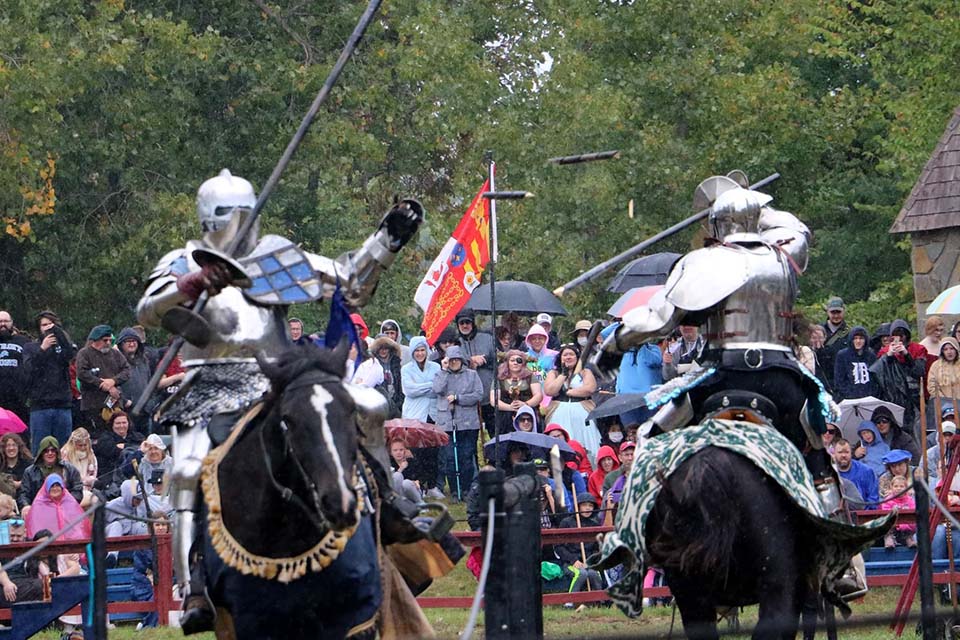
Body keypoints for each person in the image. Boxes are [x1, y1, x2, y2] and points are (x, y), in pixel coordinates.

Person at [432, 346, 484, 500]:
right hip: (447, 423)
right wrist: (443, 370)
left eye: (456, 359)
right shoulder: (441, 374)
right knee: (449, 458)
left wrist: (459, 398)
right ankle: (454, 490)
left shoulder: (472, 375)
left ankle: (467, 488)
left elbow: (478, 395)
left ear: (462, 360)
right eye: (451, 360)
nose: (454, 363)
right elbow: (437, 389)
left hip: (467, 423)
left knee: (466, 457)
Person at [21, 310, 76, 453]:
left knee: (64, 450)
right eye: (44, 325)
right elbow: (29, 370)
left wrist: (59, 335)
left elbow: (69, 356)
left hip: (62, 404)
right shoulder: (30, 347)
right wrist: (42, 349)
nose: (47, 328)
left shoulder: (63, 347)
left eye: (51, 325)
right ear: (38, 328)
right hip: (40, 406)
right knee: (40, 449)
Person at [399, 335, 443, 499]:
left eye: (422, 349)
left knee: (432, 453)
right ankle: (417, 485)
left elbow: (438, 388)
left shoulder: (435, 367)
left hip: (432, 413)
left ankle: (431, 485)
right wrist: (429, 385)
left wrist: (423, 387)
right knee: (416, 453)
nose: (420, 353)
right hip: (414, 415)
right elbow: (409, 390)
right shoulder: (406, 369)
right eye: (416, 350)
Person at [543, 344, 600, 462]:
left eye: (571, 354)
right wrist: (563, 375)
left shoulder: (585, 372)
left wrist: (569, 392)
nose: (568, 357)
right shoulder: (554, 373)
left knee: (584, 445)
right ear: (560, 358)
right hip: (559, 412)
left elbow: (589, 388)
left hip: (581, 412)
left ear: (577, 357)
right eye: (565, 355)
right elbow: (549, 390)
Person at [871, 319, 927, 433]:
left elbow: (919, 372)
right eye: (896, 335)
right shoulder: (885, 352)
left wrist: (907, 355)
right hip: (893, 397)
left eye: (902, 335)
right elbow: (877, 374)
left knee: (916, 430)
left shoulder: (917, 349)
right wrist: (889, 356)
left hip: (914, 398)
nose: (900, 339)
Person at [75, 324, 130, 432]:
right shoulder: (84, 353)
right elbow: (82, 374)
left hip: (114, 404)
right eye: (105, 340)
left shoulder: (116, 354)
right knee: (97, 438)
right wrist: (102, 384)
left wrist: (113, 381)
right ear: (95, 340)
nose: (108, 343)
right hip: (92, 405)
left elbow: (127, 371)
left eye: (110, 340)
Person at [454, 310, 497, 438]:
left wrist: (482, 361)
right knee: (470, 437)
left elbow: (497, 360)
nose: (465, 326)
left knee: (494, 433)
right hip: (467, 398)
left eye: (467, 322)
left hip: (488, 395)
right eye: (461, 323)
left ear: (473, 323)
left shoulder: (488, 338)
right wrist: (470, 360)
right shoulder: (455, 342)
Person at [18, 436, 83, 516]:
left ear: (57, 452)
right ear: (41, 452)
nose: (50, 453)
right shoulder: (30, 472)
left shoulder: (69, 469)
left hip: (65, 509)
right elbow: (24, 493)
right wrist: (25, 505)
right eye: (46, 450)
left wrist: (66, 502)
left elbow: (78, 489)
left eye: (53, 450)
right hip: (39, 510)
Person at [491, 349, 543, 436]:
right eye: (512, 360)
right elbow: (494, 400)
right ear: (507, 362)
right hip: (505, 415)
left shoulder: (530, 377)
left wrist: (525, 404)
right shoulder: (499, 379)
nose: (515, 363)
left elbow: (538, 395)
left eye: (518, 360)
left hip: (527, 413)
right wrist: (510, 407)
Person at [25, 473, 91, 540]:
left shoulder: (70, 501)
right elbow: (35, 529)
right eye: (52, 486)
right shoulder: (38, 504)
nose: (55, 488)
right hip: (48, 544)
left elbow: (80, 525)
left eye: (57, 485)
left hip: (71, 543)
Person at [116, 326, 157, 434]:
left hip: (145, 412)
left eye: (134, 341)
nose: (132, 344)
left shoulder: (144, 361)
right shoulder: (116, 362)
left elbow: (150, 384)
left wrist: (150, 403)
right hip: (127, 413)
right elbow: (113, 385)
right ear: (121, 344)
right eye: (128, 341)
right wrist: (124, 401)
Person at [94, 411, 145, 480]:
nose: (121, 426)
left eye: (124, 423)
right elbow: (112, 452)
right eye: (118, 423)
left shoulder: (138, 437)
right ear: (112, 424)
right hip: (112, 475)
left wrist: (125, 446)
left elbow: (143, 449)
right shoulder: (105, 438)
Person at [0, 310, 30, 423]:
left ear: (11, 322)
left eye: (6, 321)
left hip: (18, 397)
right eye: (0, 321)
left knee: (19, 432)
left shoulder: (23, 341)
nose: (3, 324)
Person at [832, 326, 876, 403]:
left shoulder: (871, 355)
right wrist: (851, 394)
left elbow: (874, 378)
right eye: (855, 338)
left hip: (868, 398)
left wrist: (870, 394)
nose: (858, 341)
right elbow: (839, 380)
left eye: (861, 338)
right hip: (848, 398)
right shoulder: (842, 355)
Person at [833, 438, 879, 508]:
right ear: (834, 454)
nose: (843, 455)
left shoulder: (866, 471)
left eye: (846, 452)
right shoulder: (829, 473)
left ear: (851, 453)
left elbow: (873, 500)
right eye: (840, 452)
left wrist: (863, 513)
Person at [820, 297, 851, 392]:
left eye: (839, 312)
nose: (836, 315)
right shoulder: (818, 331)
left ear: (843, 312)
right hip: (823, 380)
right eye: (833, 312)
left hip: (844, 382)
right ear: (827, 312)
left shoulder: (850, 333)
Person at [60, 428, 97, 507]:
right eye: (80, 445)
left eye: (85, 445)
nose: (83, 447)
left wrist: (89, 481)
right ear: (73, 444)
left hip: (88, 488)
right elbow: (65, 478)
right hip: (71, 491)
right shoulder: (64, 454)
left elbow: (93, 473)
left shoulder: (91, 454)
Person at [370, 333, 404, 418]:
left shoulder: (397, 364)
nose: (383, 351)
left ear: (390, 349)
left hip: (397, 405)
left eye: (386, 348)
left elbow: (401, 386)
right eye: (380, 348)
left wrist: (399, 405)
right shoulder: (371, 365)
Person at [881, 475, 917, 549]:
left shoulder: (910, 500)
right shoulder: (888, 500)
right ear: (891, 487)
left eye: (901, 486)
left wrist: (905, 525)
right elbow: (885, 512)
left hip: (907, 527)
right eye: (896, 486)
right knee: (888, 531)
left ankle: (910, 541)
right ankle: (889, 542)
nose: (898, 488)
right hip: (893, 526)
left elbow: (913, 512)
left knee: (908, 533)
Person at [927, 337, 960, 401]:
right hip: (944, 404)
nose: (949, 352)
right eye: (945, 349)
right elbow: (932, 387)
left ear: (956, 349)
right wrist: (945, 400)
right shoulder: (935, 366)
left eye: (951, 348)